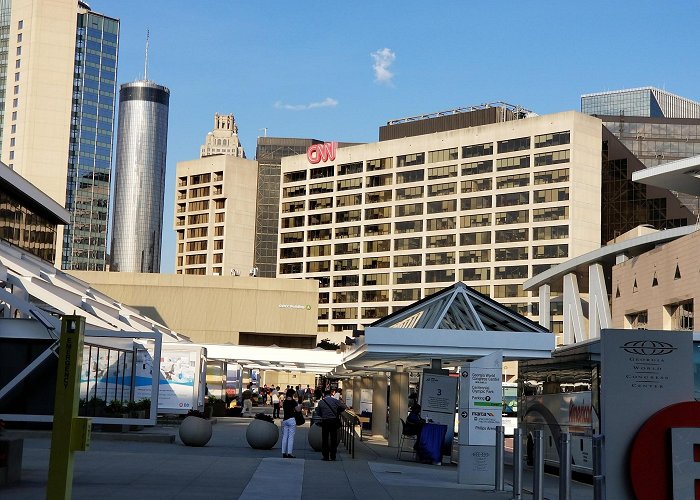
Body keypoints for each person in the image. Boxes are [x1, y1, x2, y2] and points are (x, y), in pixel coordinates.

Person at [316, 389, 346, 461]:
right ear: (330, 394)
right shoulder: (335, 401)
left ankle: (325, 456)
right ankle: (333, 456)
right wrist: (337, 411)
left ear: (324, 395)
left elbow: (318, 413)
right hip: (333, 421)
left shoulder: (321, 402)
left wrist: (323, 414)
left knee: (325, 439)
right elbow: (344, 407)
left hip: (325, 421)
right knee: (333, 439)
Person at [281, 388, 301, 458]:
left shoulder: (285, 402)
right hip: (291, 419)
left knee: (284, 437)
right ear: (292, 394)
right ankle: (289, 453)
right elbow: (298, 410)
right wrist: (300, 405)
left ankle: (283, 452)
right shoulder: (293, 402)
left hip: (285, 420)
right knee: (291, 437)